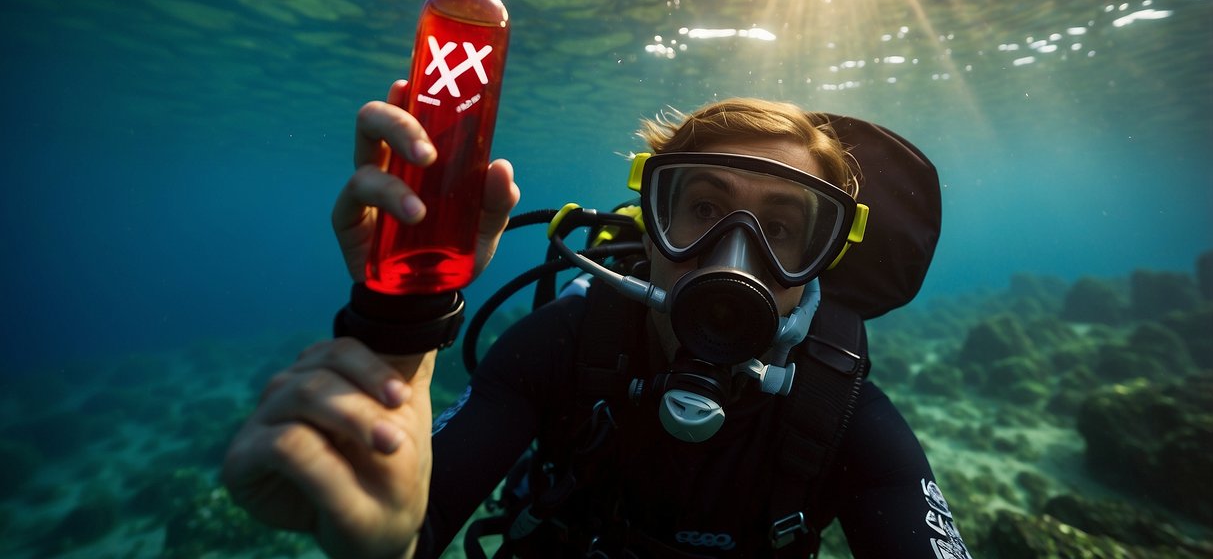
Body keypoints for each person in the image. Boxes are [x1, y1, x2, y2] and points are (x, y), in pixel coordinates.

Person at [223, 88, 973, 559]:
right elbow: (416, 518)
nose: (729, 262)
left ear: (821, 259)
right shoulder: (564, 345)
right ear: (650, 224)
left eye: (782, 229)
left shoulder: (839, 409)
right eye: (703, 211)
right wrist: (400, 325)